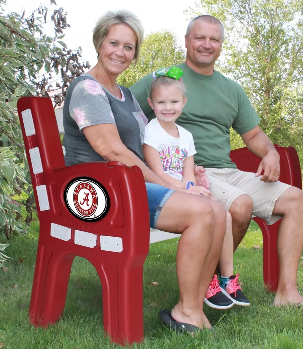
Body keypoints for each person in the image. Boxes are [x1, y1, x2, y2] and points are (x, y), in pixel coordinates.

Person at [130, 15, 303, 314]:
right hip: (191, 173)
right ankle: (212, 280)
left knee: (295, 200)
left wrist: (270, 153)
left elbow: (253, 134)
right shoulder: (165, 81)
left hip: (229, 170)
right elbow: (123, 110)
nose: (206, 45)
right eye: (199, 37)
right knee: (240, 206)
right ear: (186, 41)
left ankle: (287, 292)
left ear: (221, 45)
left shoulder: (231, 89)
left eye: (214, 39)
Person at [62, 10, 230, 332]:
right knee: (200, 213)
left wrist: (188, 173)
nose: (120, 52)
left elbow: (151, 144)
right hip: (98, 191)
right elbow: (111, 150)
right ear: (99, 43)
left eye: (129, 47)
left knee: (218, 211)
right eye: (114, 43)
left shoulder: (125, 95)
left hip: (129, 183)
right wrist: (172, 186)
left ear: (135, 54)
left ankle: (190, 306)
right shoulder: (87, 88)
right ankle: (189, 311)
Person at [142, 67, 250, 308]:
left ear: (184, 102)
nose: (167, 107)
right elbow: (157, 173)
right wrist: (186, 189)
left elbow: (188, 170)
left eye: (174, 101)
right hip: (164, 190)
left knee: (224, 214)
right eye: (161, 102)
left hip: (184, 189)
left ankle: (226, 279)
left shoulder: (186, 136)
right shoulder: (151, 131)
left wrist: (193, 186)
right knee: (208, 213)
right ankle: (207, 281)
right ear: (151, 103)